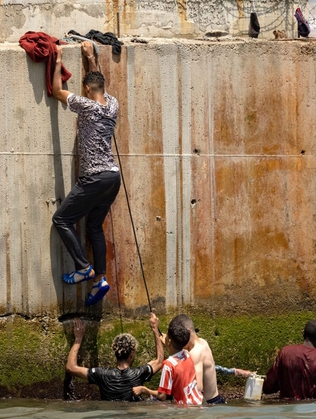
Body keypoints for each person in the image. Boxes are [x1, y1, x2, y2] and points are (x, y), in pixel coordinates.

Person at [51, 41, 121, 306]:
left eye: (85, 89)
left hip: (94, 177)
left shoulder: (86, 105)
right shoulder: (112, 104)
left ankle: (84, 268)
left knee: (61, 220)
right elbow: (97, 82)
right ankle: (100, 279)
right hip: (113, 178)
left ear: (87, 90)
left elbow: (58, 90)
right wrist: (90, 57)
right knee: (94, 226)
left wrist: (57, 58)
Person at [65, 313, 164, 401]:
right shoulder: (138, 374)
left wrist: (78, 338)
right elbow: (159, 361)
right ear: (131, 354)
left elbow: (71, 367)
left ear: (115, 352)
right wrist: (155, 329)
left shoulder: (102, 375)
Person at [133, 316, 203, 405]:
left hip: (186, 409)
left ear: (169, 341)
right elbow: (176, 353)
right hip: (198, 402)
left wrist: (144, 390)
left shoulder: (168, 365)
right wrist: (168, 343)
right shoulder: (187, 354)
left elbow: (162, 396)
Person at [263, 320, 316, 400]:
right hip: (311, 409)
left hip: (286, 407)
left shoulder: (285, 352)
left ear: (303, 333)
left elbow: (267, 387)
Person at [175, 314, 228, 404]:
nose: (179, 342)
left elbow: (197, 387)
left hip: (210, 405)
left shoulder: (195, 353)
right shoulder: (203, 342)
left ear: (188, 332)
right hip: (217, 400)